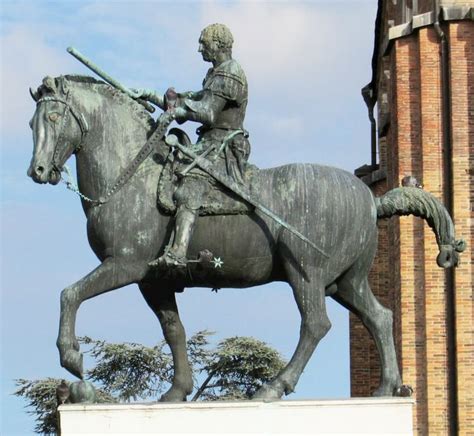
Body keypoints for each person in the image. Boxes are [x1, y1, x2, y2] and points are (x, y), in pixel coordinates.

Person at [140, 23, 251, 267]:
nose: (200, 48)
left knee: (191, 186)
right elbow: (193, 100)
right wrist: (152, 96)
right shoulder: (216, 73)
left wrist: (177, 110)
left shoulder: (230, 73)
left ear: (218, 44)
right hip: (210, 143)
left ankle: (178, 252)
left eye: (204, 43)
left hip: (223, 147)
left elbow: (208, 112)